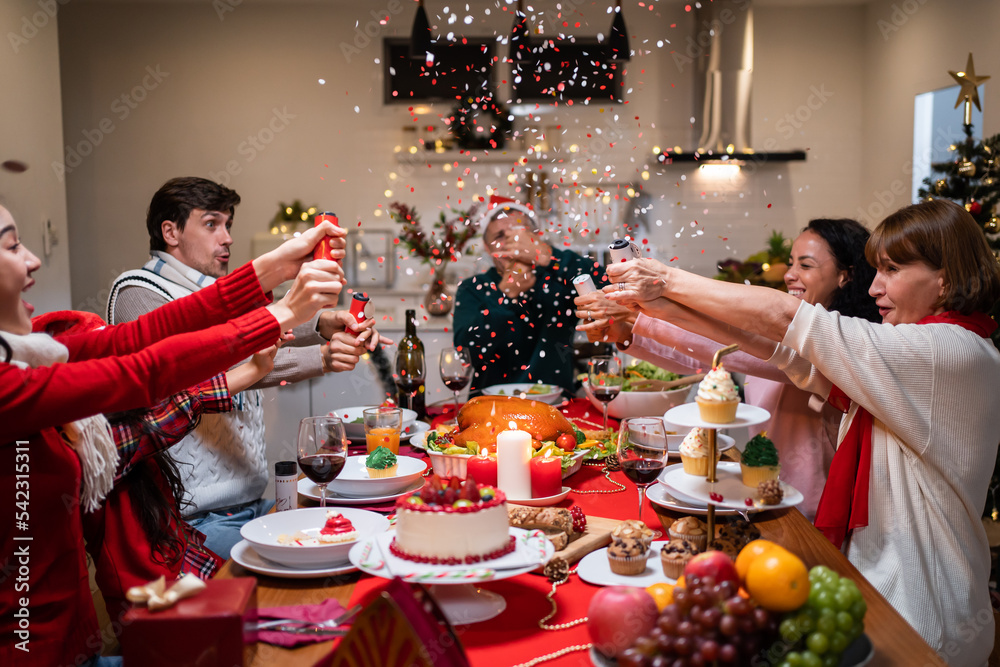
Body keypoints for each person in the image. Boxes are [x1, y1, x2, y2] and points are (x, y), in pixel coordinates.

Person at [605, 199, 1000, 665]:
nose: (875, 287)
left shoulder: (946, 351)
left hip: (925, 616)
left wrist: (666, 280)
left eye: (892, 269)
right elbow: (780, 350)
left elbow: (787, 319)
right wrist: (656, 307)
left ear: (947, 278)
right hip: (883, 590)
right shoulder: (927, 346)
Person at [0, 206, 344, 667]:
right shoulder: (10, 385)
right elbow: (147, 370)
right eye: (12, 244)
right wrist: (281, 310)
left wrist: (273, 268)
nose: (33, 259)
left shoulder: (31, 356)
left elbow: (145, 336)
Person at [106, 177, 385, 558]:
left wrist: (323, 323)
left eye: (228, 225)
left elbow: (255, 326)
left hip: (253, 503)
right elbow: (212, 365)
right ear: (169, 231)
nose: (227, 238)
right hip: (194, 519)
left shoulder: (208, 291)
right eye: (211, 224)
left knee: (349, 543)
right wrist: (319, 358)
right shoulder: (137, 292)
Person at [575, 219, 880, 519]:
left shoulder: (838, 344)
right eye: (791, 264)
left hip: (809, 500)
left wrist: (641, 317)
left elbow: (752, 353)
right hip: (761, 485)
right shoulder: (792, 331)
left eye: (806, 266)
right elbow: (707, 355)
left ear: (845, 275)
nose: (789, 275)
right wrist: (629, 332)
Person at [453, 197, 603, 395]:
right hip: (490, 408)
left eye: (519, 232)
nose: (510, 241)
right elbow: (467, 353)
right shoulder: (472, 288)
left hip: (557, 406)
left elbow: (609, 287)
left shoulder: (559, 281)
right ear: (487, 247)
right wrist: (506, 295)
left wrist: (548, 256)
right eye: (499, 236)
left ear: (536, 237)